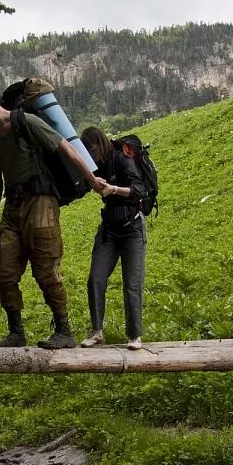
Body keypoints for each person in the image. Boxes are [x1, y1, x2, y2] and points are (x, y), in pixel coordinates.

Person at [0, 83, 107, 349]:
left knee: (45, 269)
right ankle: (16, 332)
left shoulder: (26, 122)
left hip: (41, 201)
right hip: (13, 207)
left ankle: (64, 330)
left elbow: (64, 147)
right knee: (5, 274)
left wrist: (91, 179)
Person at [79, 127, 147, 350]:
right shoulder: (96, 165)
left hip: (132, 228)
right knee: (95, 278)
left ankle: (134, 336)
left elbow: (139, 189)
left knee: (132, 284)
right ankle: (97, 331)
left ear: (100, 144)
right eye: (87, 153)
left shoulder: (121, 157)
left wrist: (114, 189)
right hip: (109, 229)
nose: (92, 156)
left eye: (92, 150)